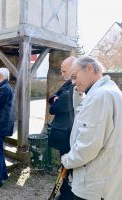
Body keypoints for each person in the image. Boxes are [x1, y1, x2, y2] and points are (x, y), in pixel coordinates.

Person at [61, 56, 122, 200]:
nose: (72, 82)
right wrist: (78, 93)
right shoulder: (109, 89)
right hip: (107, 179)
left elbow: (88, 145)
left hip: (94, 182)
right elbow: (82, 115)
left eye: (74, 76)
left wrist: (67, 160)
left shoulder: (99, 96)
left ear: (90, 68)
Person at [48, 56, 76, 199]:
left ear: (73, 68)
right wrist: (55, 99)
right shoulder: (66, 84)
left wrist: (55, 101)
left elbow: (54, 108)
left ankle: (68, 195)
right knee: (63, 164)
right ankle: (64, 192)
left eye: (64, 70)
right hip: (63, 134)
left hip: (69, 134)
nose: (62, 73)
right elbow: (52, 97)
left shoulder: (75, 87)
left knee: (69, 167)